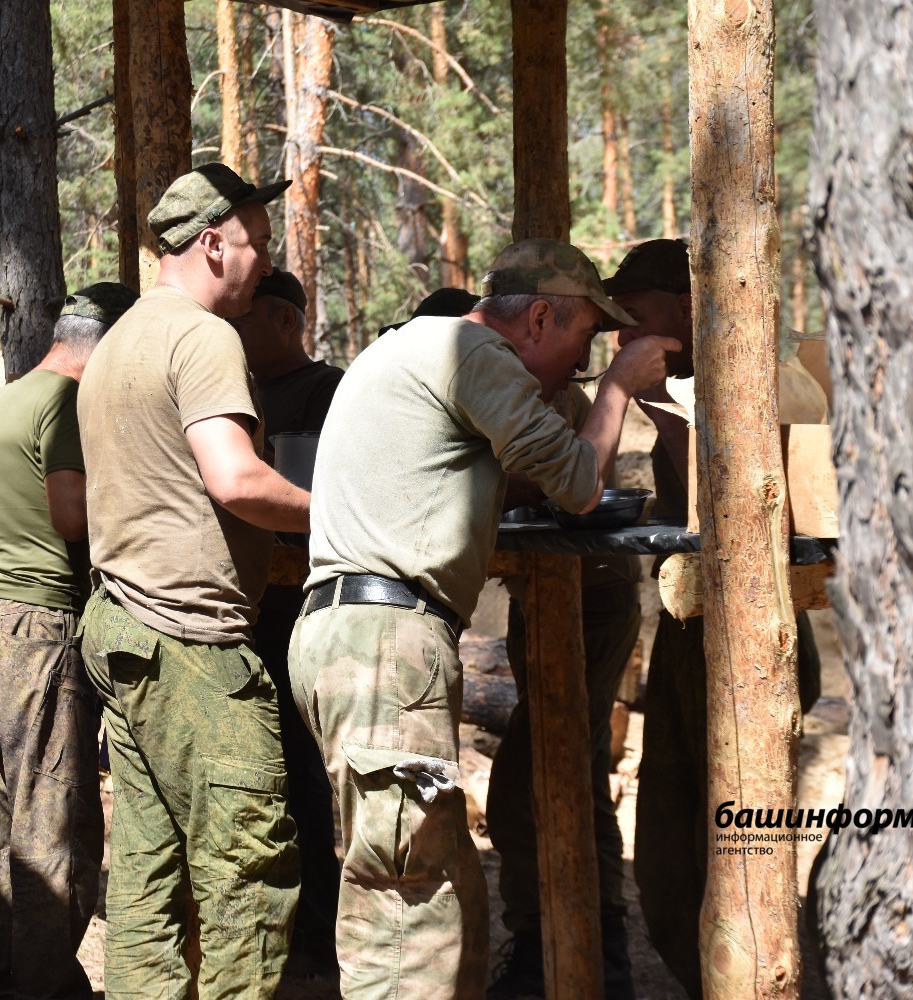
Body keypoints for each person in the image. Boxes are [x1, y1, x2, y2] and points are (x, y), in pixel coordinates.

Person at [287, 239, 678, 1000]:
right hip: (384, 644)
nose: (584, 361)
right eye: (584, 337)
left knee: (444, 893)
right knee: (408, 914)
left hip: (355, 634)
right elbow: (578, 483)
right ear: (540, 317)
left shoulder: (414, 349)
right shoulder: (472, 353)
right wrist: (619, 389)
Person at [76, 163, 311, 1000]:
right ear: (213, 244)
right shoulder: (205, 337)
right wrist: (339, 512)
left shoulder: (119, 339)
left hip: (122, 625)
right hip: (191, 643)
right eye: (258, 242)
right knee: (248, 870)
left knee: (149, 872)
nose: (267, 261)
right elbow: (236, 479)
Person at [603, 238, 823, 1000]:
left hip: (756, 639)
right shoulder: (673, 386)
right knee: (668, 854)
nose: (624, 338)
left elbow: (742, 504)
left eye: (636, 318)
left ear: (688, 307)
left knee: (737, 847)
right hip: (686, 632)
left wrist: (659, 408)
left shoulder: (761, 385)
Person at [0, 281, 138, 1000]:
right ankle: (45, 991)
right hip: (35, 633)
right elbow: (70, 517)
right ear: (109, 349)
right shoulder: (65, 403)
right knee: (54, 832)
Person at [485, 378, 643, 1000]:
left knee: (544, 776)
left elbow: (557, 482)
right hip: (545, 589)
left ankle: (569, 956)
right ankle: (579, 953)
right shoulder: (518, 379)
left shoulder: (542, 388)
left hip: (587, 594)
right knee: (561, 771)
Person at [229, 266, 345, 978]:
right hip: (241, 605)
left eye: (244, 317)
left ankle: (317, 931)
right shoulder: (231, 386)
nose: (230, 329)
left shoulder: (327, 389)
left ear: (284, 320)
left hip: (299, 602)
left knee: (303, 769)